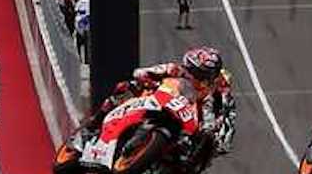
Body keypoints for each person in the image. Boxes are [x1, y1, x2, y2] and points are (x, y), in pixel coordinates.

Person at [76, 46, 233, 143]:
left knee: (203, 139)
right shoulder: (175, 69)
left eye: (206, 74)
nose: (199, 76)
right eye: (196, 71)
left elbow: (218, 112)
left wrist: (211, 130)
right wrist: (147, 78)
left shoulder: (214, 90)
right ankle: (95, 123)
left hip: (187, 115)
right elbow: (142, 72)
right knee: (126, 87)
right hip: (163, 98)